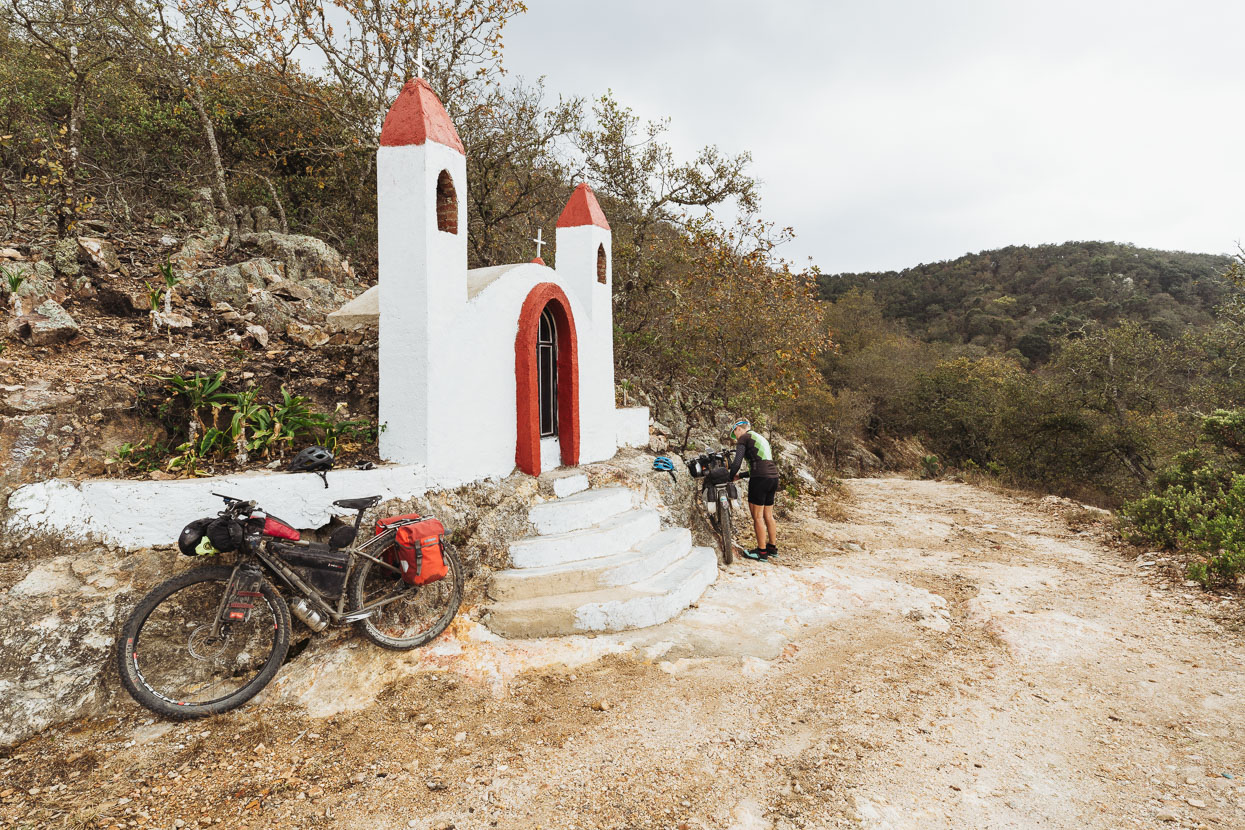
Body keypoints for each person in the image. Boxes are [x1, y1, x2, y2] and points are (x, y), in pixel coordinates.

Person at [726, 418, 779, 560]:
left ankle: (761, 552)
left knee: (757, 516)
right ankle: (772, 548)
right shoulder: (760, 437)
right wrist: (740, 476)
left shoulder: (743, 438)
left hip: (760, 480)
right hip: (773, 477)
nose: (735, 437)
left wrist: (730, 477)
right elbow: (762, 461)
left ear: (739, 429)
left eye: (734, 433)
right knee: (768, 515)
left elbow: (737, 462)